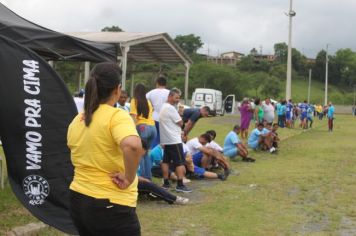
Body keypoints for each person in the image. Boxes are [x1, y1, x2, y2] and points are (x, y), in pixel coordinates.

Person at [67, 62, 143, 235]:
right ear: (117, 89)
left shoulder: (78, 120)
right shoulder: (116, 116)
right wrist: (129, 177)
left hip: (78, 199)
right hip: (110, 203)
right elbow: (132, 146)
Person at [159, 88, 192, 193]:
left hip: (166, 139)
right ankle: (180, 184)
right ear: (170, 96)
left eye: (179, 98)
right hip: (174, 140)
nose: (177, 100)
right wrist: (181, 113)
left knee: (166, 161)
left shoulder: (163, 107)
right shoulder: (170, 108)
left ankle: (165, 183)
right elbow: (181, 123)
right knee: (179, 162)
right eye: (176, 97)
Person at [130, 84, 157, 180]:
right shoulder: (148, 101)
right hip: (153, 128)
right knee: (146, 153)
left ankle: (141, 177)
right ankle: (148, 176)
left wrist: (132, 131)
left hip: (142, 127)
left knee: (139, 153)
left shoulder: (134, 100)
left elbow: (133, 116)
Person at [146, 76, 170, 148]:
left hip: (154, 116)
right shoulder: (169, 92)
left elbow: (144, 100)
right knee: (163, 138)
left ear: (157, 83)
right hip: (165, 118)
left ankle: (153, 150)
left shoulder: (151, 92)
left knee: (155, 136)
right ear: (165, 84)